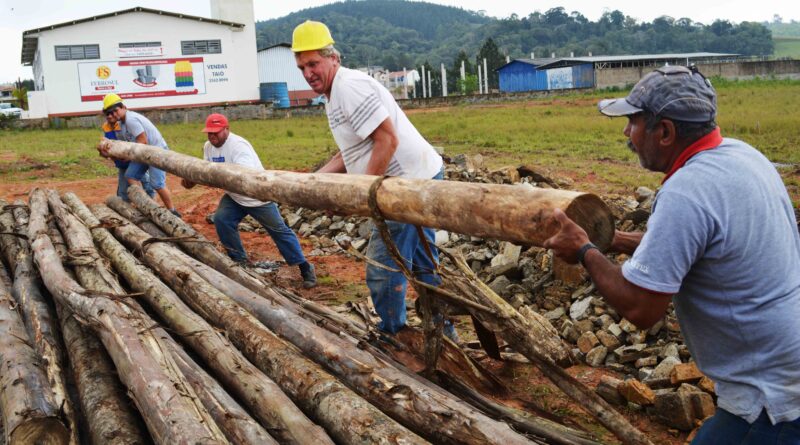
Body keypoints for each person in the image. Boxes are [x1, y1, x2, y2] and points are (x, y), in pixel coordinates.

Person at [543, 65, 800, 443]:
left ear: (664, 131)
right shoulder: (743, 156)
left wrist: (584, 251)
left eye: (633, 121)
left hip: (766, 398)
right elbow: (696, 246)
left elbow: (641, 308)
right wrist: (614, 241)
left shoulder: (687, 191)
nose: (626, 133)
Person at [292, 20, 458, 340]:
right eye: (302, 67)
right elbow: (349, 153)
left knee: (382, 269)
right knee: (425, 266)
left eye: (313, 63)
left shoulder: (348, 87)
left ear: (333, 58)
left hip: (406, 185)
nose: (308, 72)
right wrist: (309, 184)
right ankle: (444, 334)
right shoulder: (333, 94)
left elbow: (386, 140)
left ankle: (393, 337)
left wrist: (363, 196)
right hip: (415, 178)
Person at [181, 113, 317, 289]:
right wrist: (192, 179)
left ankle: (305, 267)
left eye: (216, 132)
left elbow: (243, 176)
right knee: (222, 220)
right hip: (235, 196)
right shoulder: (208, 147)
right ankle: (240, 261)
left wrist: (216, 176)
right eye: (209, 133)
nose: (212, 136)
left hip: (256, 197)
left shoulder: (239, 146)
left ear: (227, 129)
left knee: (278, 231)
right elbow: (207, 171)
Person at [99, 93, 180, 217]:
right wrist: (109, 152)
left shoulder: (131, 119)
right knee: (130, 176)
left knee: (157, 184)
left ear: (123, 107)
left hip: (156, 152)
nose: (113, 114)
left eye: (115, 110)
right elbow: (125, 145)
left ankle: (172, 211)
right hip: (142, 153)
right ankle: (145, 204)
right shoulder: (121, 124)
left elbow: (143, 141)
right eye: (110, 113)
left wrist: (127, 156)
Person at [101, 104, 156, 201]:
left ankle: (152, 204)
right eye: (107, 114)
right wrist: (105, 152)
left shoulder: (123, 124)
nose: (109, 116)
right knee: (123, 192)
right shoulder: (106, 127)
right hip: (122, 164)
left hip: (134, 161)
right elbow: (108, 147)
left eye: (111, 113)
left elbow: (135, 141)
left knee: (146, 185)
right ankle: (127, 209)